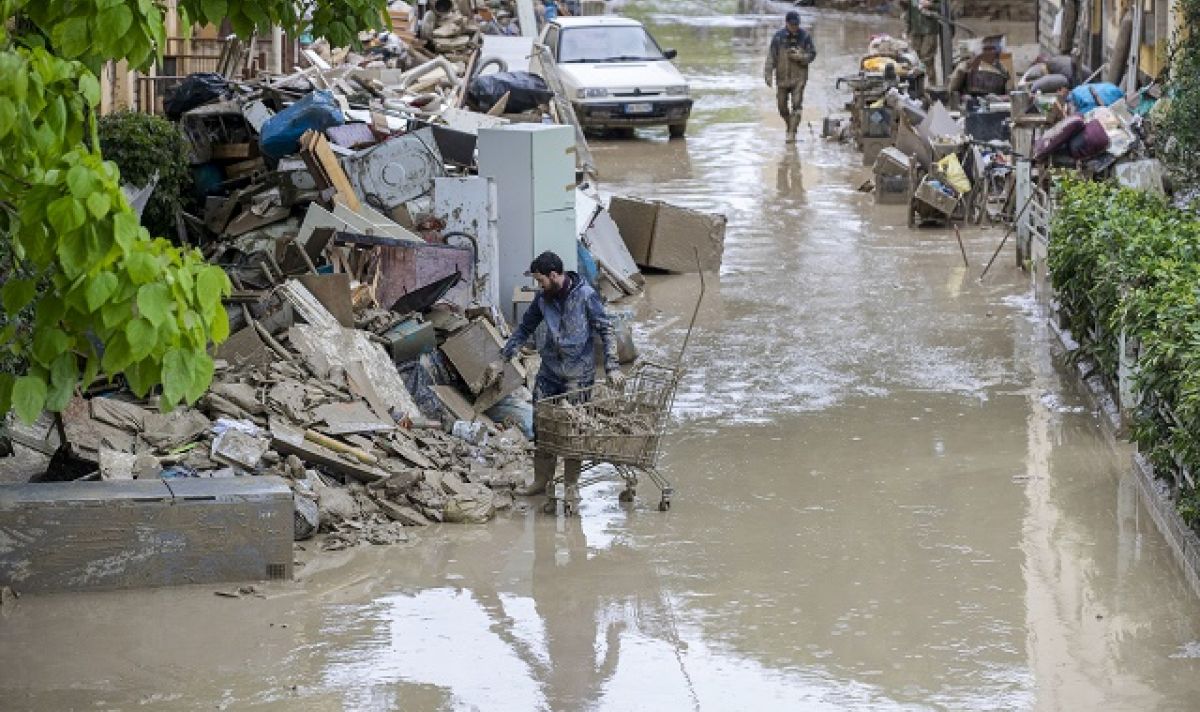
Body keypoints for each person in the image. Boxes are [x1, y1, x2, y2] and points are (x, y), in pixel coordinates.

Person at [488, 251, 623, 509]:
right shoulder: (543, 299)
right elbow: (525, 328)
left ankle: (571, 486)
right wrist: (503, 358)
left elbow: (606, 330)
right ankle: (542, 481)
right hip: (549, 371)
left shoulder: (585, 296)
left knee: (574, 430)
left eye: (541, 281)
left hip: (578, 374)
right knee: (544, 425)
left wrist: (612, 366)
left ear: (554, 275)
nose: (539, 286)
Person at [763, 11, 816, 143]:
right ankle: (789, 125)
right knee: (782, 107)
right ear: (787, 23)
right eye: (792, 24)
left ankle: (791, 133)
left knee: (797, 106)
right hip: (782, 78)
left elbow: (812, 54)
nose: (795, 27)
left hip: (799, 78)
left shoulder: (805, 37)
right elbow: (771, 57)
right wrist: (768, 74)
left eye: (797, 24)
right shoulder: (778, 37)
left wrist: (801, 57)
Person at [901, 0, 942, 85]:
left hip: (930, 29)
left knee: (927, 56)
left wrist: (930, 5)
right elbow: (908, 9)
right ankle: (921, 83)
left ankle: (932, 84)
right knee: (918, 55)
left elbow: (943, 7)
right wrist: (907, 29)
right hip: (915, 29)